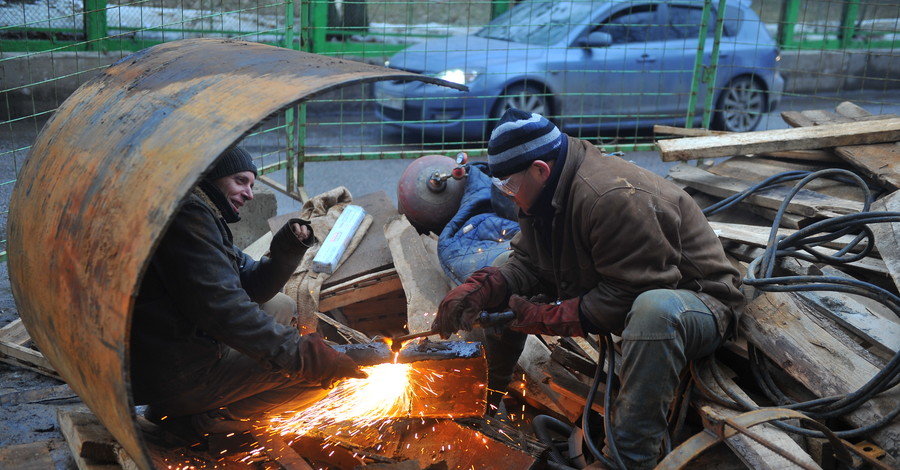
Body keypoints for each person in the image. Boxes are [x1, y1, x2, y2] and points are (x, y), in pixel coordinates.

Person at [432, 109, 745, 469]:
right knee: (500, 287)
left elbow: (632, 295)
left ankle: (626, 460)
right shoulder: (543, 190)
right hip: (622, 284)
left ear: (540, 169)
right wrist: (484, 287)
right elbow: (529, 261)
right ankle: (477, 409)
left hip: (698, 303)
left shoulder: (608, 196)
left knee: (653, 313)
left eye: (511, 186)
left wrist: (544, 317)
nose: (509, 196)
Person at [130, 146, 366, 443]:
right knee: (313, 378)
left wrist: (286, 249)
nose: (250, 194)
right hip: (172, 371)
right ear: (212, 177)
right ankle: (195, 423)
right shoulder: (187, 217)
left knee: (279, 304)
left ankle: (183, 406)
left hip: (175, 347)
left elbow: (251, 286)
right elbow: (226, 311)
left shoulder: (204, 212)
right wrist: (302, 356)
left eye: (252, 185)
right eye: (240, 181)